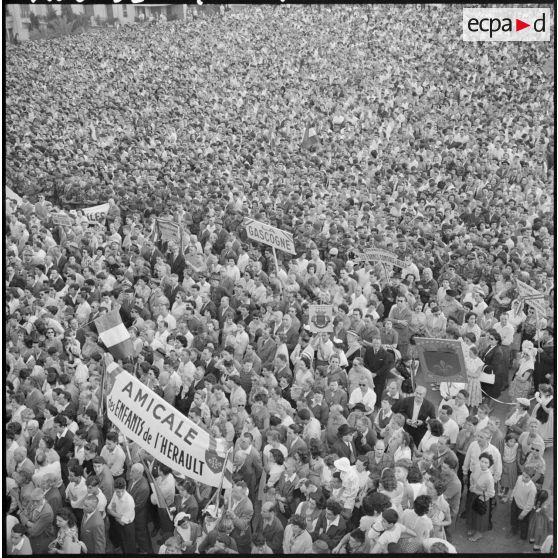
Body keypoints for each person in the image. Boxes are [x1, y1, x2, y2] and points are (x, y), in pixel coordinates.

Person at [465, 452, 495, 543]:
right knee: (472, 513)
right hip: (473, 495)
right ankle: (473, 528)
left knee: (479, 517)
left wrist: (476, 491)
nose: (483, 464)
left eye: (486, 463)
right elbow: (472, 476)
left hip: (482, 499)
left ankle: (478, 533)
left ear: (489, 465)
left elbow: (491, 493)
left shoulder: (489, 477)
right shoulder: (477, 468)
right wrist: (472, 485)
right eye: (482, 461)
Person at [107, 477, 136, 553]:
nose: (119, 494)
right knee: (122, 543)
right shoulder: (115, 494)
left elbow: (124, 521)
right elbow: (109, 509)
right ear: (114, 489)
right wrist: (119, 516)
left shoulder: (129, 501)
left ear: (125, 488)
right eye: (117, 491)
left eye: (121, 491)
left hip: (128, 526)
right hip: (119, 523)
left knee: (130, 546)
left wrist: (114, 514)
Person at [509, 466, 537, 541]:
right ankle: (514, 529)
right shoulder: (519, 478)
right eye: (523, 475)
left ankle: (523, 535)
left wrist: (523, 514)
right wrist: (512, 497)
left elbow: (530, 504)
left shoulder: (532, 489)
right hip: (515, 502)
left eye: (526, 477)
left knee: (524, 523)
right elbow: (515, 488)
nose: (523, 478)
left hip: (523, 508)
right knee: (513, 518)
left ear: (531, 477)